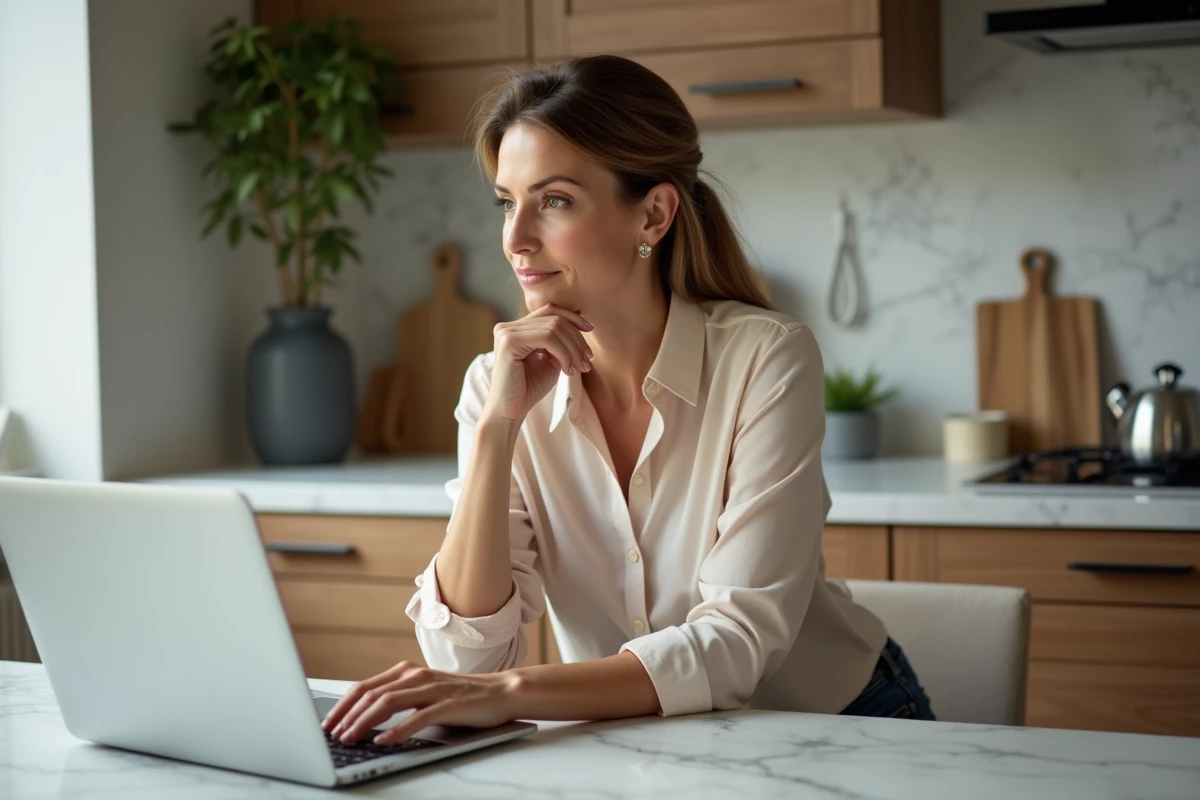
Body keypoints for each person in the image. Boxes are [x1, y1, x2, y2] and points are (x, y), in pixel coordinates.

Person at [321, 55, 935, 747]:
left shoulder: (766, 357)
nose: (515, 238)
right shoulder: (493, 385)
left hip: (837, 726)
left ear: (653, 214)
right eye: (506, 202)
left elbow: (735, 642)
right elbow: (467, 657)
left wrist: (510, 695)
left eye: (553, 201)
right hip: (645, 742)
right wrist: (497, 430)